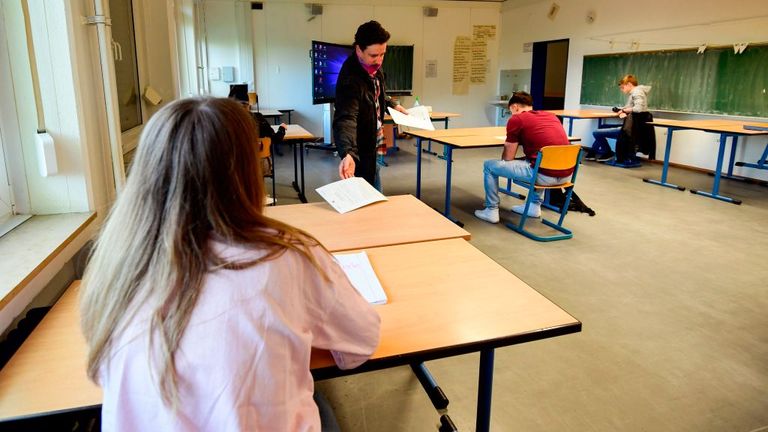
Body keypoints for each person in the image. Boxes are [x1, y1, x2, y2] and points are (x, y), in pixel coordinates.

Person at [80, 97, 380, 431]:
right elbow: (361, 342)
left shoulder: (114, 271)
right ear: (247, 171)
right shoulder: (287, 256)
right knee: (320, 401)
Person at [474, 91, 574, 223]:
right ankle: (534, 206)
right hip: (566, 175)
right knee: (539, 160)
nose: (511, 114)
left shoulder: (517, 119)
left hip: (543, 176)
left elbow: (508, 158)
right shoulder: (551, 116)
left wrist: (506, 161)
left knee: (489, 166)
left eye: (510, 111)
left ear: (515, 107)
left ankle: (491, 210)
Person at [333, 20, 408, 191]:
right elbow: (346, 118)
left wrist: (392, 104)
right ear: (359, 49)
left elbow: (377, 91)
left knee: (374, 177)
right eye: (374, 55)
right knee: (367, 191)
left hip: (375, 140)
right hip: (359, 147)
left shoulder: (373, 66)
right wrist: (348, 152)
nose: (379, 60)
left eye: (383, 54)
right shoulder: (350, 79)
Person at [586, 74, 655, 165]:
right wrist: (622, 110)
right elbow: (632, 107)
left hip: (630, 131)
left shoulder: (636, 93)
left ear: (629, 84)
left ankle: (607, 152)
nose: (622, 90)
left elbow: (638, 109)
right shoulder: (636, 93)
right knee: (603, 127)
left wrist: (623, 110)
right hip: (633, 128)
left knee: (596, 132)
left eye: (623, 87)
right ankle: (594, 153)